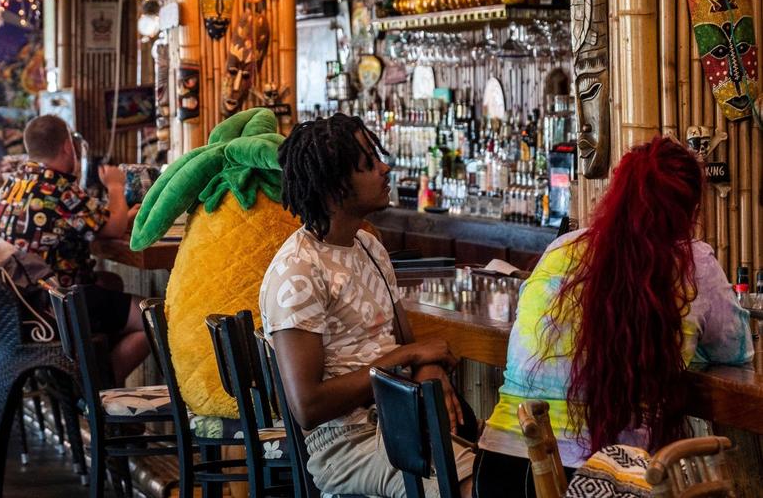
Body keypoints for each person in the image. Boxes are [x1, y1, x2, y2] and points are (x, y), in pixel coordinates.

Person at [473, 136, 753, 498]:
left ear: (616, 193)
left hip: (499, 469)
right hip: (595, 480)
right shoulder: (693, 264)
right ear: (690, 209)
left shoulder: (563, 247)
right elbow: (735, 350)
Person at [259, 114, 476, 498]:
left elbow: (406, 345)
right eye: (369, 164)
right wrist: (407, 357)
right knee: (470, 484)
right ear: (334, 188)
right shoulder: (298, 272)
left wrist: (427, 369)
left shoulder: (369, 247)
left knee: (508, 471)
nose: (385, 168)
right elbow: (308, 406)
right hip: (345, 446)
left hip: (401, 422)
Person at [0, 114, 147, 384]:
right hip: (57, 305)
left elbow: (98, 223)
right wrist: (116, 186)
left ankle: (89, 383)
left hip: (22, 306)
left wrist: (123, 216)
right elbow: (113, 230)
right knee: (154, 316)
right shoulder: (57, 187)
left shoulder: (17, 181)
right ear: (68, 148)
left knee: (111, 284)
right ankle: (99, 392)